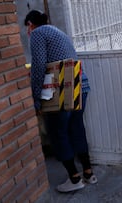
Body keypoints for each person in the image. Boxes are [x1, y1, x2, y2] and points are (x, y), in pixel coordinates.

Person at [24, 10, 97, 193]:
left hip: (61, 89)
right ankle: (89, 174)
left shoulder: (37, 34)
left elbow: (39, 66)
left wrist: (35, 99)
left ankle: (74, 178)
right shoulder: (58, 32)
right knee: (77, 128)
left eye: (27, 27)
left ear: (30, 24)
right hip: (80, 84)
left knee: (58, 133)